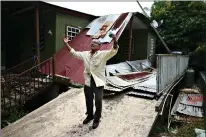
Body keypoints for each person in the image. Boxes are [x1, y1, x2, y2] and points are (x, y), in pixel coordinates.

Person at [63, 34, 119, 129]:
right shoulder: (86, 54)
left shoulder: (103, 54)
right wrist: (66, 44)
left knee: (98, 100)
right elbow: (74, 53)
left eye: (95, 43)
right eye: (91, 43)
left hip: (98, 82)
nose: (92, 44)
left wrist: (115, 40)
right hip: (88, 81)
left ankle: (96, 119)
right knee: (88, 100)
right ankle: (90, 116)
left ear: (99, 46)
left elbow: (114, 50)